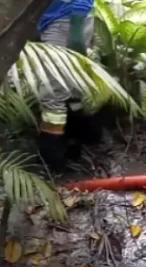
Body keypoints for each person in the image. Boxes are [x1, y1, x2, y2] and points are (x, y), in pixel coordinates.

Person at [37, 0, 96, 170]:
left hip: (68, 21)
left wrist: (76, 24)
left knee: (52, 95)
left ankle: (52, 162)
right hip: (61, 20)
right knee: (72, 87)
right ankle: (78, 143)